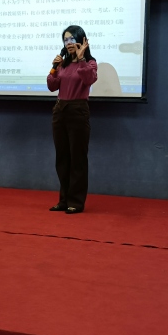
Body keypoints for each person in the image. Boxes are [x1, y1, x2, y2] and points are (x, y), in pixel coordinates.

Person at [47, 25, 98, 214]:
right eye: (65, 40)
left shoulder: (90, 63)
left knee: (77, 158)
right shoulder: (64, 64)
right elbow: (52, 86)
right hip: (60, 110)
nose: (68, 43)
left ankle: (76, 201)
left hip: (78, 110)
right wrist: (54, 67)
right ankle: (63, 200)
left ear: (82, 40)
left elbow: (89, 79)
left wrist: (82, 58)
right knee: (62, 158)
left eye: (72, 39)